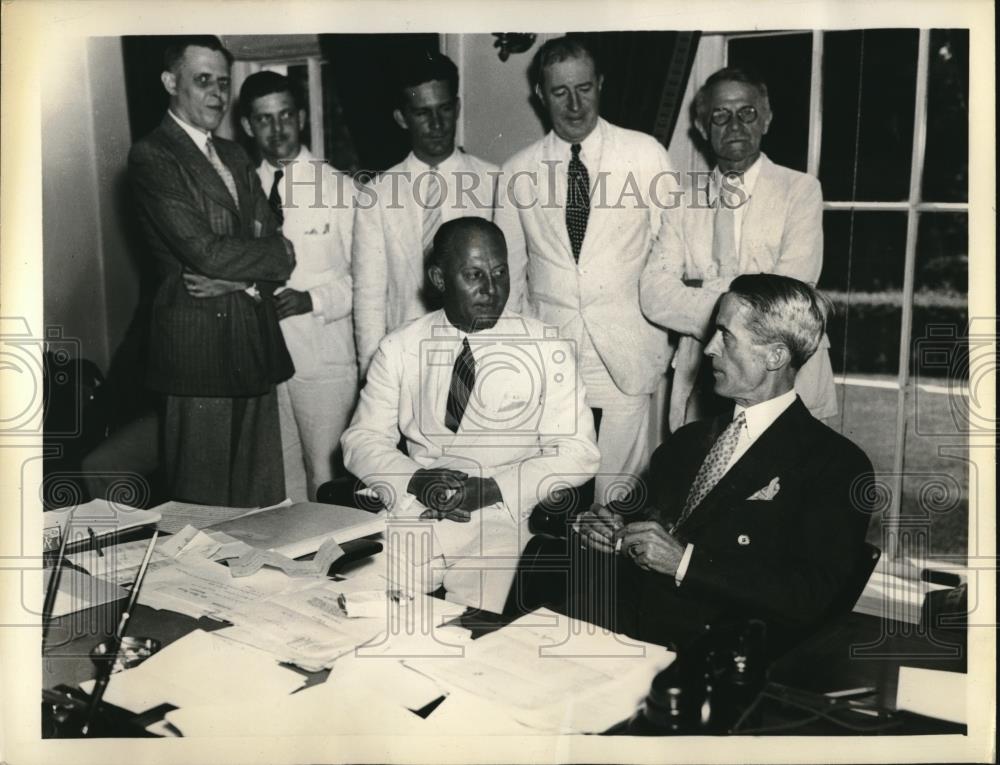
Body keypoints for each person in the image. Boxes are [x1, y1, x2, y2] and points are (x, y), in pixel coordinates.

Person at [575, 274, 874, 652]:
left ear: (775, 356)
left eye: (726, 336)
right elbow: (632, 520)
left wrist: (685, 563)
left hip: (729, 661)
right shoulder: (685, 443)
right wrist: (604, 528)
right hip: (628, 638)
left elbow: (810, 598)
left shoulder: (836, 465)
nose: (709, 348)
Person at [341, 218, 600, 613]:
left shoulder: (548, 348)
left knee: (478, 627)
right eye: (474, 275)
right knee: (350, 604)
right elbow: (361, 439)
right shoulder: (400, 346)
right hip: (417, 512)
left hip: (503, 518)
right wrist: (414, 480)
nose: (492, 290)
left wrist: (492, 488)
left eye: (500, 273)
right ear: (439, 279)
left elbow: (579, 451)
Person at [495, 36, 674, 504]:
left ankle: (609, 578)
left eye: (584, 89)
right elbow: (509, 275)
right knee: (554, 497)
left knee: (614, 499)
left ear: (601, 85)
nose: (574, 105)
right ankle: (566, 578)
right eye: (560, 92)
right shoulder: (517, 171)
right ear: (540, 95)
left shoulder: (645, 154)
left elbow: (668, 254)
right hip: (552, 357)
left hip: (626, 353)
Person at [128, 36, 295, 507]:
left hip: (253, 342)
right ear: (169, 82)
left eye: (223, 82)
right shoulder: (152, 156)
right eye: (203, 81)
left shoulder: (238, 155)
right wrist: (260, 259)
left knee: (260, 505)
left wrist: (243, 276)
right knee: (199, 515)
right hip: (196, 352)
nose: (218, 94)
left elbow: (284, 251)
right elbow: (206, 254)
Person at [185, 71, 357, 502]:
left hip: (324, 363)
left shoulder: (340, 189)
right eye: (264, 120)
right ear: (247, 126)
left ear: (300, 117)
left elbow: (370, 283)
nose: (277, 130)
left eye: (285, 116)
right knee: (277, 481)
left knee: (325, 477)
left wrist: (312, 299)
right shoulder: (239, 190)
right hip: (261, 359)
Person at [640, 66, 837, 432]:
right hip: (706, 380)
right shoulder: (682, 202)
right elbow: (653, 293)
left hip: (787, 376)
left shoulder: (800, 190)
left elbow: (788, 292)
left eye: (747, 113)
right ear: (702, 127)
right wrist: (740, 302)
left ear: (766, 119)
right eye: (720, 115)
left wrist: (706, 292)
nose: (735, 125)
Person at [352, 51, 499, 378]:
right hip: (407, 362)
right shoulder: (376, 195)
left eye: (444, 109)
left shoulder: (495, 182)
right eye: (422, 113)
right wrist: (371, 377)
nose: (436, 125)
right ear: (402, 118)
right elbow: (369, 299)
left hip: (481, 358)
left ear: (457, 108)